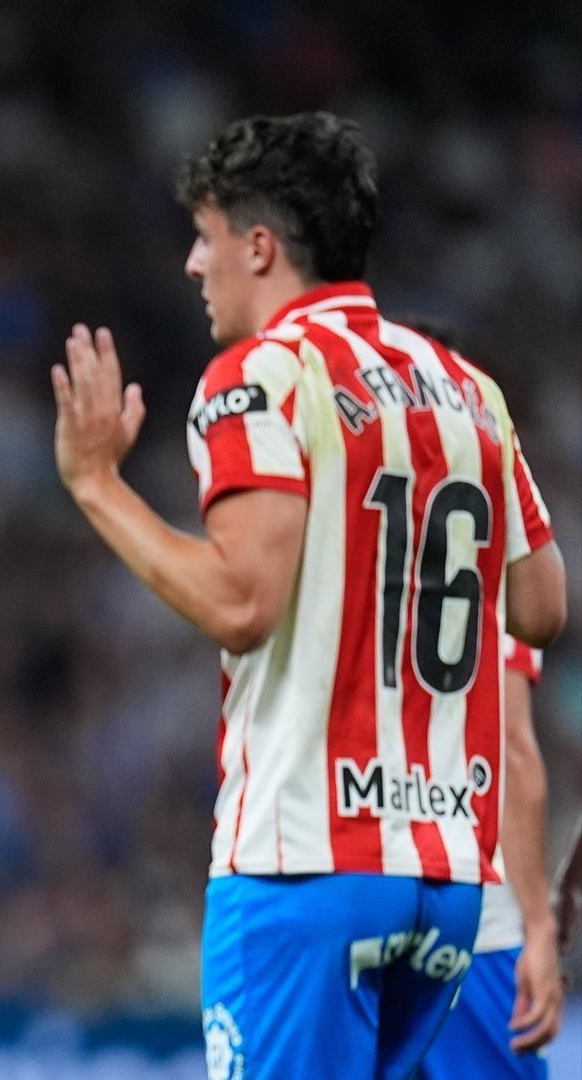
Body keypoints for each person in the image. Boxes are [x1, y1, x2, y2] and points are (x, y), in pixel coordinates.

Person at [49, 111, 566, 1079]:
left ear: (260, 245)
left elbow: (244, 603)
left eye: (205, 239)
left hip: (304, 866)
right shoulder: (465, 387)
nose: (194, 267)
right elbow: (540, 608)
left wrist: (96, 487)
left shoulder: (259, 376)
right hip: (446, 880)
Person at [420, 636, 564, 1078]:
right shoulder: (497, 573)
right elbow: (512, 745)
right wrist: (539, 925)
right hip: (473, 925)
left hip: (349, 883)